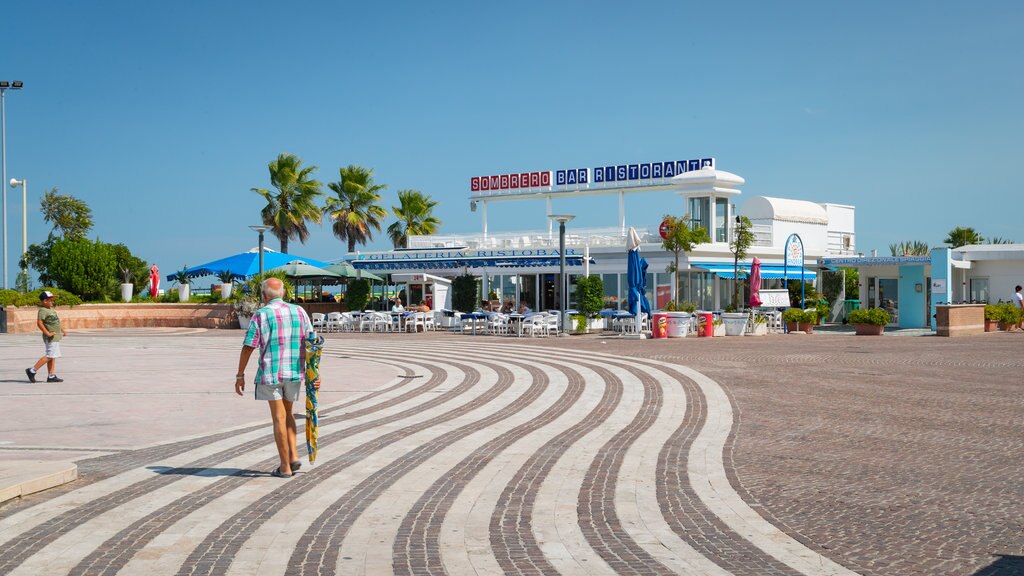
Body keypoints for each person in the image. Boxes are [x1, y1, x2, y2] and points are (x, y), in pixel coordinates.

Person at [235, 277, 319, 478]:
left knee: (278, 418)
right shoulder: (299, 312)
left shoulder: (261, 315)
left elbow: (248, 346)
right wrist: (315, 373)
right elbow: (313, 343)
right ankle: (294, 455)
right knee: (288, 413)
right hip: (295, 372)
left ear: (263, 295)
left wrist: (240, 374)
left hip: (271, 373)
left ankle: (285, 466)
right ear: (283, 293)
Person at [26, 291, 66, 383]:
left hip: (56, 336)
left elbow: (56, 322)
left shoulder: (51, 309)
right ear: (44, 301)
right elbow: (39, 323)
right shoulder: (43, 310)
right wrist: (47, 333)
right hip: (51, 337)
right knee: (49, 355)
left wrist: (62, 330)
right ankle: (32, 371)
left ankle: (51, 376)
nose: (52, 301)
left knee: (53, 356)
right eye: (50, 299)